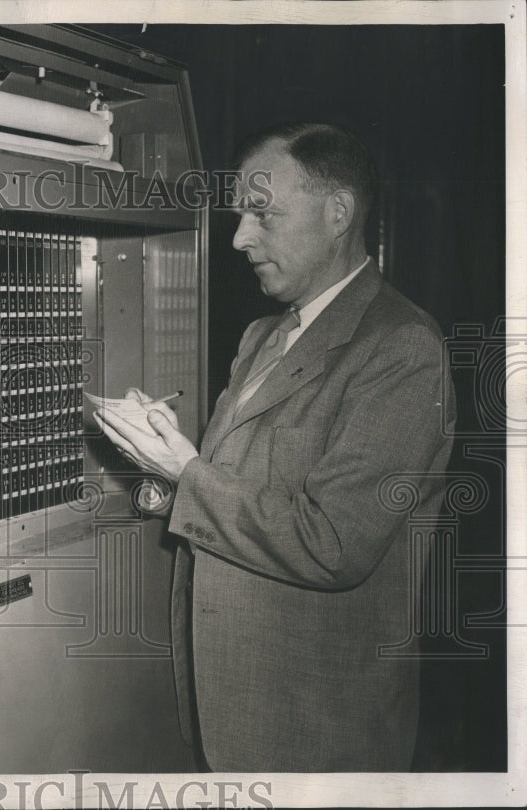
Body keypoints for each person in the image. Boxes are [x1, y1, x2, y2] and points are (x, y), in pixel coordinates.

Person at [94, 122, 455, 772]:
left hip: (318, 732)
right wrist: (160, 470)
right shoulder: (262, 335)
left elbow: (333, 545)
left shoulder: (402, 348)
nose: (238, 238)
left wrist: (186, 468)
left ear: (337, 212)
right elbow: (234, 487)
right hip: (232, 701)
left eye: (262, 214)